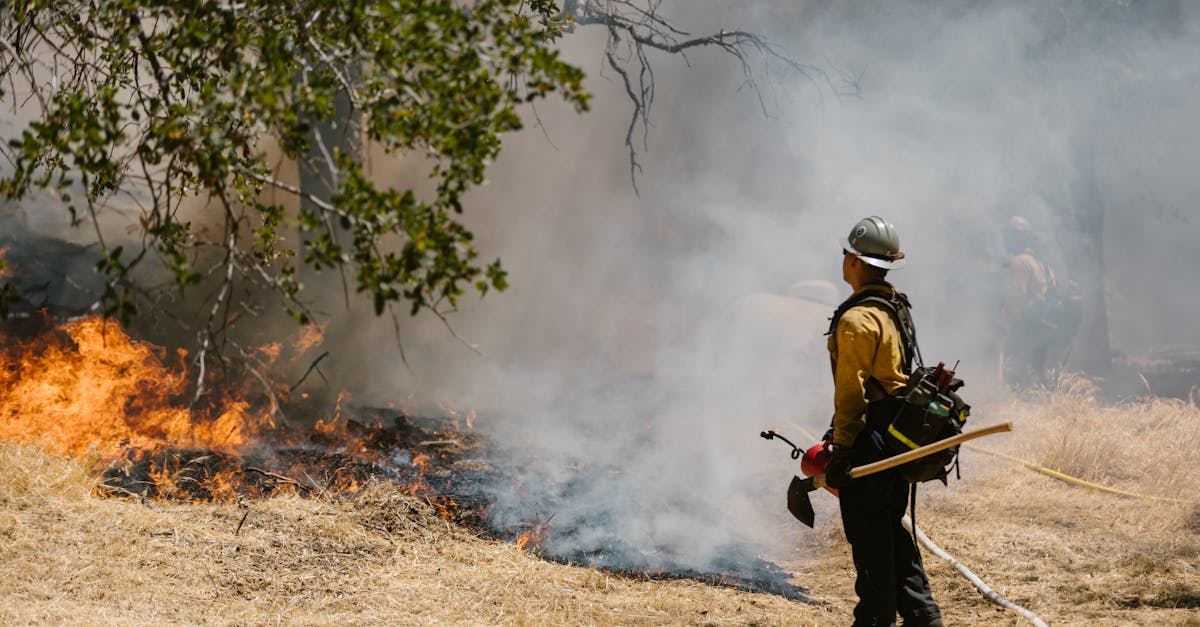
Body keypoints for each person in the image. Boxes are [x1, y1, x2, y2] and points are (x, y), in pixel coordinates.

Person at [823, 216, 943, 627]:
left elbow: (852, 394)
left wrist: (842, 448)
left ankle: (874, 619)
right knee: (889, 526)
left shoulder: (857, 319)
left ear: (855, 260)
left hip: (871, 434)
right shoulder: (893, 306)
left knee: (869, 533)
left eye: (845, 254)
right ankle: (922, 615)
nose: (842, 260)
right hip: (895, 433)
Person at [1000, 215, 1066, 388]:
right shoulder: (1040, 262)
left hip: (1026, 326)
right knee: (1037, 372)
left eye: (1009, 235)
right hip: (1042, 324)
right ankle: (1045, 403)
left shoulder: (1019, 261)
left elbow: (1019, 294)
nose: (1005, 240)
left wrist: (1008, 321)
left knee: (1015, 374)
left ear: (1017, 237)